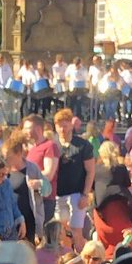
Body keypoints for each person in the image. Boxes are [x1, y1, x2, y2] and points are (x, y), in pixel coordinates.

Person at [53, 107, 96, 251]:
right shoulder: (53, 145)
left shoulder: (83, 145)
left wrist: (85, 194)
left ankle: (81, 258)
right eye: (59, 126)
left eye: (65, 126)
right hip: (58, 194)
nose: (62, 129)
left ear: (71, 125)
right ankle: (66, 257)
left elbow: (90, 171)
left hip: (77, 194)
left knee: (76, 230)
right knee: (61, 231)